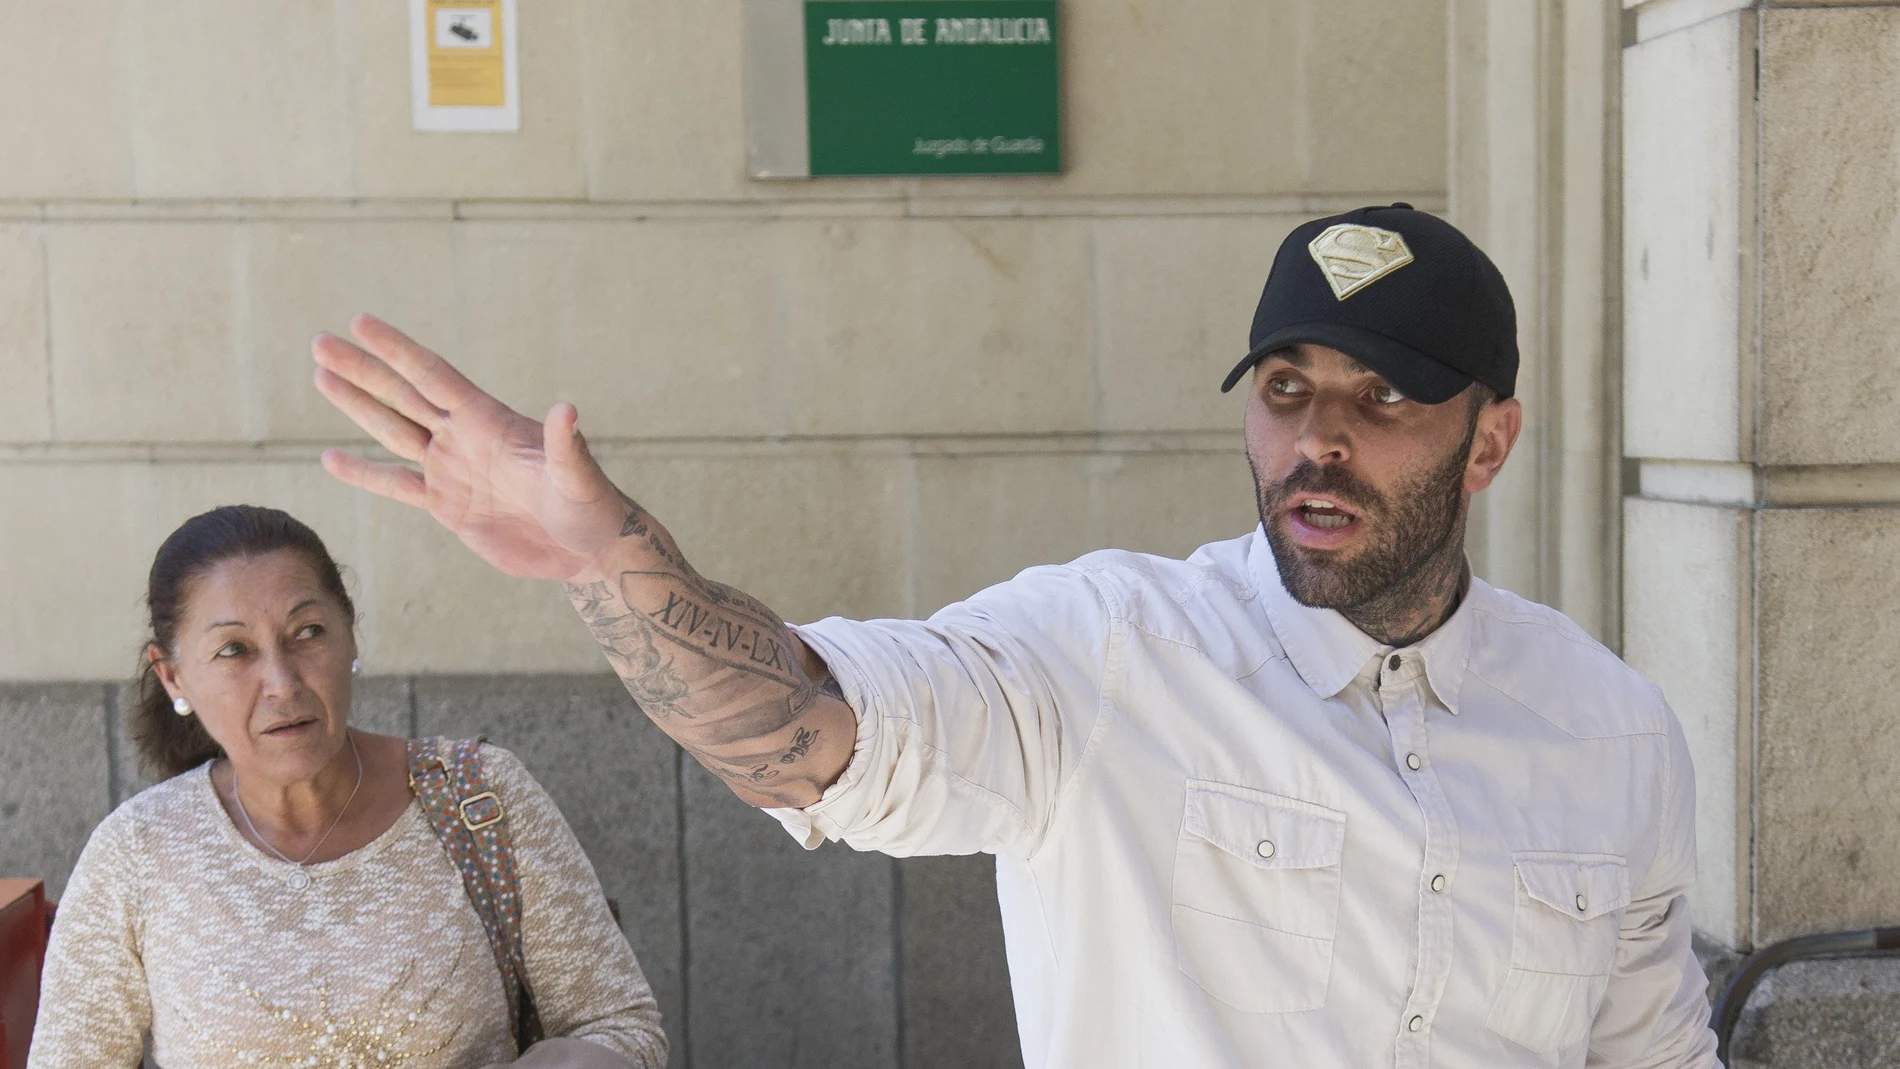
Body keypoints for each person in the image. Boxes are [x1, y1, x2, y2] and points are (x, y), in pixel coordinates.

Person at [308, 205, 1719, 1066]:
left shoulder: (1611, 733)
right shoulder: (1108, 650)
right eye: (1287, 388)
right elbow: (815, 740)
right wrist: (606, 564)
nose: (1321, 442)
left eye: (1387, 398)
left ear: (1491, 445)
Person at [29, 506, 667, 1069]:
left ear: (350, 632)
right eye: (234, 650)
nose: (282, 682)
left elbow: (620, 1027)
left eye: (307, 632)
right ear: (172, 678)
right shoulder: (136, 853)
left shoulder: (481, 796)